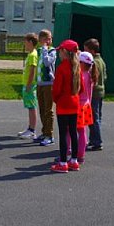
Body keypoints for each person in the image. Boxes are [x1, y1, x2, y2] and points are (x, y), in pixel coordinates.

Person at [51, 39, 81, 173]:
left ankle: (63, 162)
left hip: (63, 103)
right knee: (73, 132)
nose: (59, 54)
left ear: (64, 52)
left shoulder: (62, 68)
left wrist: (56, 99)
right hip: (74, 102)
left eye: (60, 51)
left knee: (63, 133)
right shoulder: (77, 67)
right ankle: (74, 161)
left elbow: (56, 89)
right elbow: (81, 88)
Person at [84, 38, 107, 151]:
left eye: (86, 50)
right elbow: (105, 76)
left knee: (93, 118)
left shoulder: (94, 62)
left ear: (92, 51)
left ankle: (97, 141)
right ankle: (93, 139)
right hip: (100, 92)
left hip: (95, 93)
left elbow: (93, 78)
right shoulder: (101, 61)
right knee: (97, 117)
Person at [36, 29, 57, 146]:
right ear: (40, 40)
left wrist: (45, 50)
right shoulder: (39, 51)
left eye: (50, 39)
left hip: (48, 84)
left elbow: (47, 62)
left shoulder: (52, 51)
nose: (48, 41)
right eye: (45, 39)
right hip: (40, 84)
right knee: (42, 109)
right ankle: (44, 132)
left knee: (48, 110)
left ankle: (49, 135)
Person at [75, 51, 96, 165]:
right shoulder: (90, 75)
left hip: (79, 105)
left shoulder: (80, 75)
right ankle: (81, 155)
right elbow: (90, 94)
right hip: (86, 105)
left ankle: (70, 152)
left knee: (71, 130)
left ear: (82, 63)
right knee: (82, 131)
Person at [17, 33, 39, 139]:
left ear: (30, 42)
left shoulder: (33, 55)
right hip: (27, 84)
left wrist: (29, 85)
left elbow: (32, 71)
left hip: (30, 85)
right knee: (30, 107)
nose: (24, 44)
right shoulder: (30, 54)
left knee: (32, 107)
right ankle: (30, 128)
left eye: (25, 42)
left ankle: (32, 130)